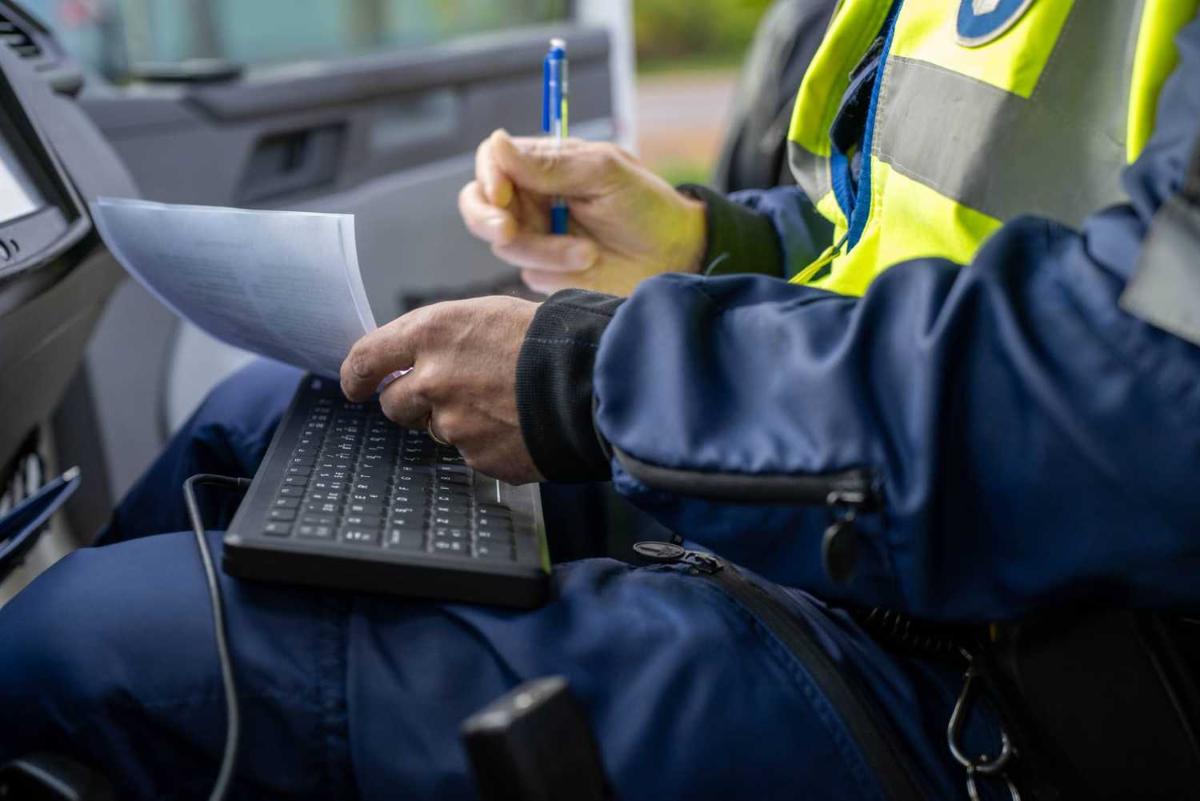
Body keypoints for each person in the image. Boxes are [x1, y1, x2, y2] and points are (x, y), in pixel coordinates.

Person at [4, 2, 1200, 799]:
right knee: (269, 417)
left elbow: (1136, 397)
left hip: (1049, 671)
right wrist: (705, 242)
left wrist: (585, 376)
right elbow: (898, 245)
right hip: (877, 496)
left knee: (88, 644)